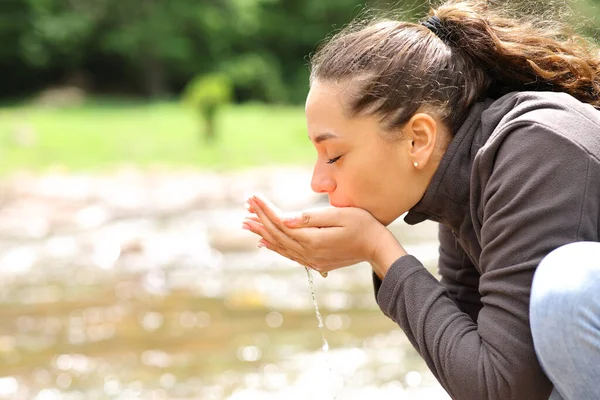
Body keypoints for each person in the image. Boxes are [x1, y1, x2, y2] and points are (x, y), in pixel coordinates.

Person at [241, 1, 600, 399]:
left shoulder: (536, 149)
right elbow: (472, 371)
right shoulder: (460, 176)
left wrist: (380, 251)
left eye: (335, 156)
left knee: (569, 287)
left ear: (419, 139)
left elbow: (503, 389)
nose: (318, 181)